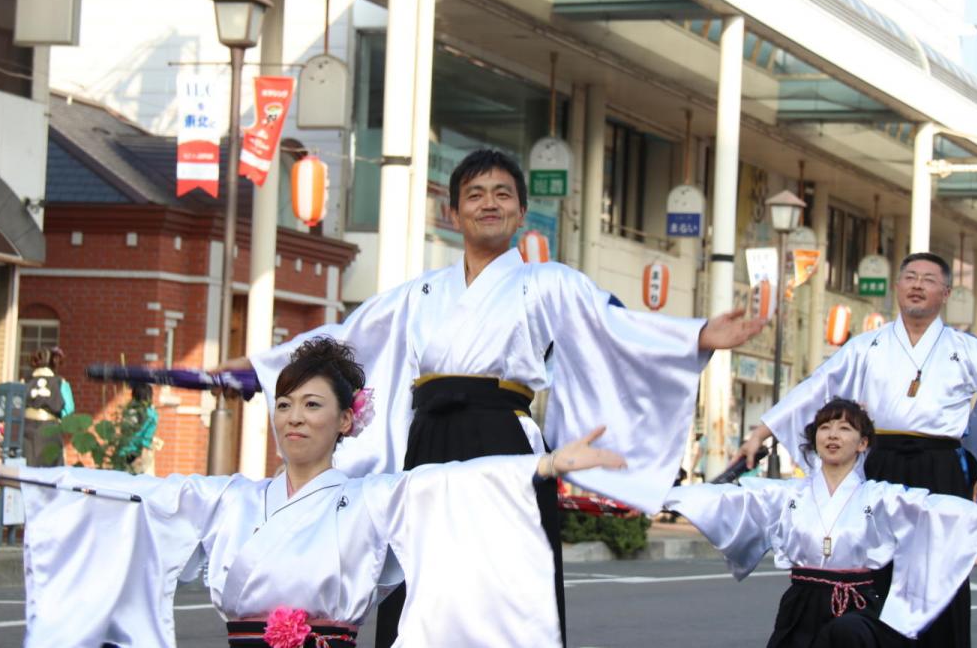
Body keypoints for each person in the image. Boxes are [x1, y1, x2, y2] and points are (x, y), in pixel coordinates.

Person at [221, 148, 766, 646]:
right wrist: (255, 370)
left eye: (502, 194)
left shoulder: (548, 282)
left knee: (507, 579)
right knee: (421, 573)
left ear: (521, 213)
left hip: (503, 437)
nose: (489, 203)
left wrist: (696, 336)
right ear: (454, 214)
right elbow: (344, 339)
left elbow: (614, 328)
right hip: (429, 440)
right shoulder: (421, 295)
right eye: (475, 195)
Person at [0, 336, 625, 647]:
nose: (295, 418)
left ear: (345, 420)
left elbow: (449, 488)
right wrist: (7, 475)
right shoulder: (230, 497)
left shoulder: (370, 497)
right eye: (286, 404)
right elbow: (122, 495)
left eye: (313, 405)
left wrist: (539, 465)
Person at [735, 251, 977, 648]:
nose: (917, 285)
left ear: (946, 293)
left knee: (941, 566)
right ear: (898, 287)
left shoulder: (965, 347)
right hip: (877, 463)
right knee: (875, 568)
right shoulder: (865, 346)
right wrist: (759, 432)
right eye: (910, 277)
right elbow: (816, 387)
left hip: (940, 468)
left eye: (928, 279)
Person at [667, 398, 977, 647]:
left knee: (848, 636)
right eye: (826, 427)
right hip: (801, 603)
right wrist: (661, 496)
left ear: (863, 443)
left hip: (857, 605)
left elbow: (929, 507)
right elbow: (726, 498)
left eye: (845, 428)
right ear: (815, 438)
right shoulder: (787, 494)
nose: (833, 435)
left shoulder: (879, 496)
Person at [23, 346, 75, 466]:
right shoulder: (60, 382)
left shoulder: (25, 381)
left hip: (26, 430)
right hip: (50, 430)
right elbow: (69, 409)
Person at [121, 380, 160, 474]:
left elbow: (124, 433)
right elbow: (146, 439)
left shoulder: (128, 412)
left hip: (124, 453)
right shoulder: (152, 415)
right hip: (139, 454)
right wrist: (142, 459)